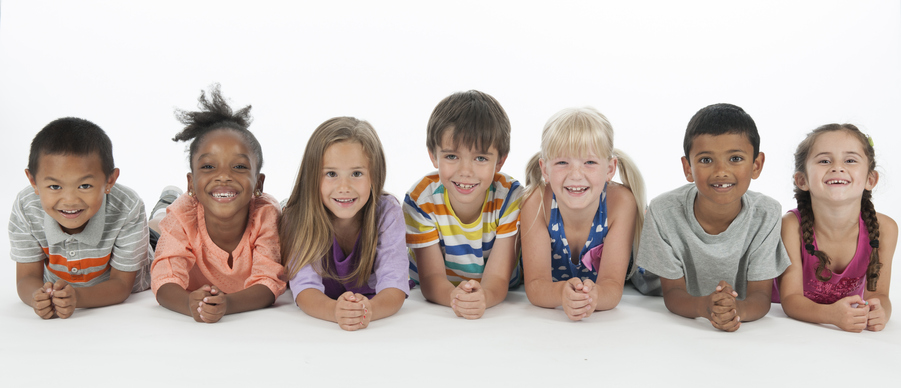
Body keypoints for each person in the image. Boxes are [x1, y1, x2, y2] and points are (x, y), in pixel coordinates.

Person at [636, 103, 790, 332]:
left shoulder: (767, 214)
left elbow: (760, 296)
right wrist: (704, 308)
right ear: (688, 168)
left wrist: (736, 311)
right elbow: (672, 294)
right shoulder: (663, 211)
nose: (721, 171)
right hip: (650, 287)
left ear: (756, 165)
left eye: (735, 158)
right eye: (706, 160)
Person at [150, 85, 285, 323]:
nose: (224, 176)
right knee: (158, 224)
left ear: (258, 183)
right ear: (191, 183)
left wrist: (226, 304)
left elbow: (268, 282)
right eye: (209, 167)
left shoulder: (265, 216)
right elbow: (164, 280)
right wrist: (189, 304)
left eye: (240, 167)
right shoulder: (183, 215)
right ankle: (167, 199)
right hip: (169, 223)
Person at [11, 117, 152, 319]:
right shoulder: (27, 207)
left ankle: (166, 204)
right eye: (54, 187)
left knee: (160, 228)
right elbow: (27, 278)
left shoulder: (127, 206)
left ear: (109, 181)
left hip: (142, 260)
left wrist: (77, 297)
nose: (69, 201)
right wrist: (37, 297)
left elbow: (121, 285)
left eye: (84, 186)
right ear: (33, 181)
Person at [281, 117, 408, 331]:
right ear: (312, 177)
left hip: (369, 303)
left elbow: (394, 285)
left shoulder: (387, 212)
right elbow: (305, 290)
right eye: (331, 174)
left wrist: (367, 311)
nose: (344, 187)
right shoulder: (298, 217)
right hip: (324, 308)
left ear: (374, 176)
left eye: (356, 174)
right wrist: (335, 312)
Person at [404, 90, 523, 319]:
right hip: (440, 291)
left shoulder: (511, 197)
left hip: (498, 290)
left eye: (480, 158)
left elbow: (498, 278)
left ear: (500, 161)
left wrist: (484, 297)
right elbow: (431, 279)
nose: (465, 171)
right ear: (433, 155)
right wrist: (455, 297)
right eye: (451, 156)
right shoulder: (421, 200)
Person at [520, 107, 646, 321]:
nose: (576, 175)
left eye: (589, 162)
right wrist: (562, 294)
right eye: (562, 162)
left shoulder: (621, 203)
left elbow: (612, 286)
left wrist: (594, 298)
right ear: (544, 169)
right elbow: (535, 286)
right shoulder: (536, 202)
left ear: (609, 168)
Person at [775, 124, 896, 332]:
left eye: (850, 160)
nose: (837, 167)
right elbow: (790, 300)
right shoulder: (790, 225)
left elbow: (878, 295)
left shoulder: (885, 228)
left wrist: (879, 311)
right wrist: (831, 315)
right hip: (785, 326)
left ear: (870, 179)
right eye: (824, 161)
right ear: (802, 180)